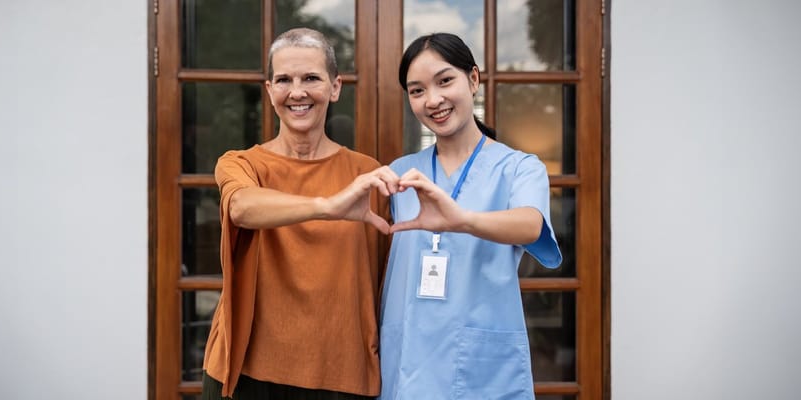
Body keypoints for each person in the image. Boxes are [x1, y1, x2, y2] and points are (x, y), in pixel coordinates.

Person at [201, 27, 396, 400]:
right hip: (246, 372)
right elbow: (242, 206)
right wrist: (328, 206)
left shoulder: (367, 175)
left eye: (311, 78)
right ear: (270, 90)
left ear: (335, 87)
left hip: (342, 375)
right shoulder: (241, 164)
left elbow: (386, 281)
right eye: (284, 80)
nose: (297, 92)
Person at [378, 32, 563, 399]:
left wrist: (460, 220)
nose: (433, 100)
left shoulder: (519, 168)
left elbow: (531, 224)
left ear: (473, 80)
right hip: (408, 362)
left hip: (480, 367)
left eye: (445, 81)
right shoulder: (400, 174)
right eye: (417, 91)